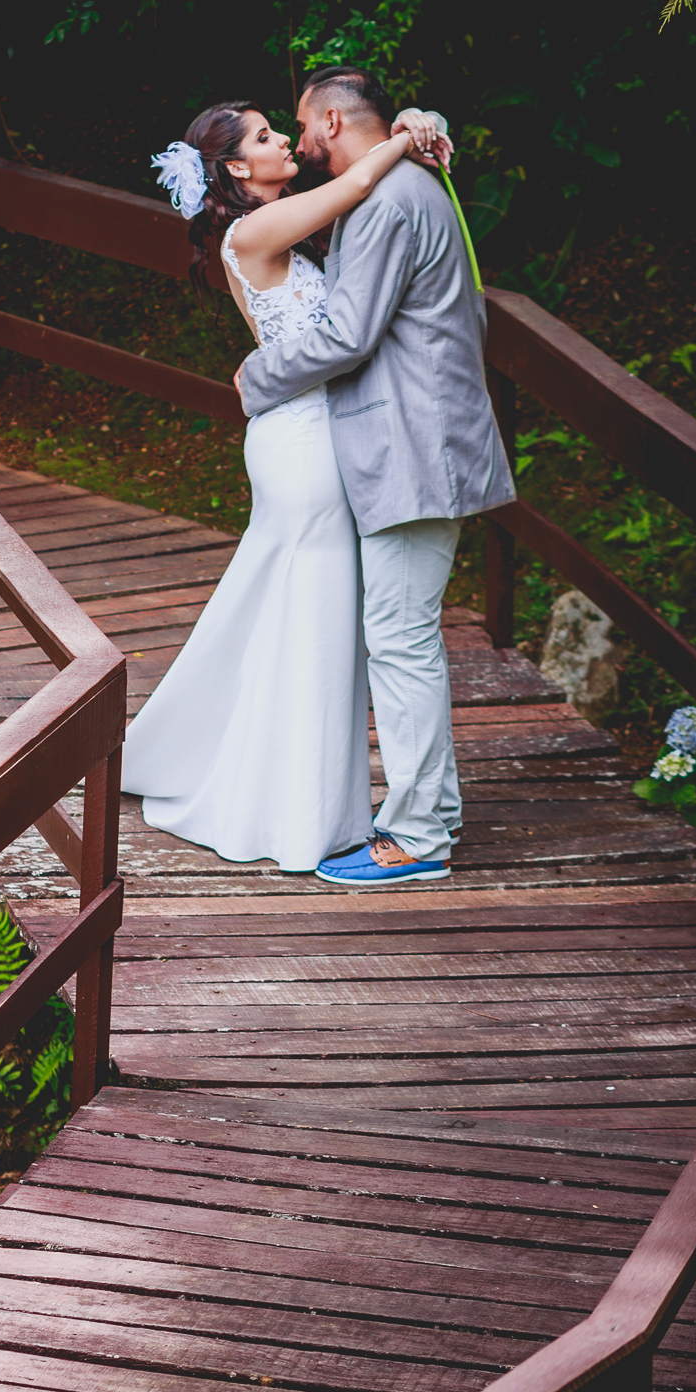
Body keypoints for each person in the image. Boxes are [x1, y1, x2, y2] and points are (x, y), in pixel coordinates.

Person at [120, 95, 447, 875]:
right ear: (237, 167)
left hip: (313, 435)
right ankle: (297, 809)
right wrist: (405, 133)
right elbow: (357, 187)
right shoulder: (253, 230)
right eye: (266, 138)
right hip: (301, 445)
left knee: (303, 613)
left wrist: (407, 120)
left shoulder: (278, 221)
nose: (282, 142)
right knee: (314, 615)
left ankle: (291, 788)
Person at [236, 65, 515, 883]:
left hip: (413, 447)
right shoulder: (410, 178)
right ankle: (436, 813)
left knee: (399, 640)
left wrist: (255, 378)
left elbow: (350, 334)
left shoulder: (387, 202)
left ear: (329, 121)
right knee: (403, 636)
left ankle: (418, 839)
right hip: (422, 441)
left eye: (299, 124)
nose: (297, 138)